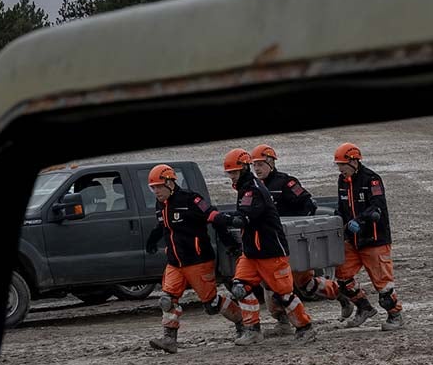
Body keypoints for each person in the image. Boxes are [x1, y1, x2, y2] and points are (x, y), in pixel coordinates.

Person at [211, 148, 317, 345]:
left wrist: (219, 218)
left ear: (243, 169)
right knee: (240, 288)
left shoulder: (254, 190)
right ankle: (252, 330)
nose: (232, 177)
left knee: (284, 295)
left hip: (271, 252)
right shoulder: (246, 189)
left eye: (234, 172)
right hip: (251, 253)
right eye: (230, 173)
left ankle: (305, 327)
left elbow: (244, 219)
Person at [143, 164, 243, 353]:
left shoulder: (191, 199)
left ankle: (242, 321)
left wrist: (230, 235)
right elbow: (162, 225)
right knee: (167, 299)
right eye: (153, 188)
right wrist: (152, 240)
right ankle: (169, 339)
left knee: (212, 304)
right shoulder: (161, 204)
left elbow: (212, 215)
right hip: (175, 262)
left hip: (198, 260)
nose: (156, 191)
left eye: (158, 186)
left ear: (170, 183)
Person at [249, 143, 342, 334]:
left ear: (271, 162)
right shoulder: (255, 187)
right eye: (254, 165)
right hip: (273, 245)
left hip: (292, 243)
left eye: (260, 164)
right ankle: (283, 323)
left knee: (306, 284)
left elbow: (308, 205)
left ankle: (343, 295)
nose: (257, 169)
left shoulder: (286, 183)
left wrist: (297, 227)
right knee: (271, 286)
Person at [333, 142, 404, 330]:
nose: (340, 169)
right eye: (338, 165)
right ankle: (364, 308)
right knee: (343, 279)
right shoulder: (342, 181)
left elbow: (377, 206)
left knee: (384, 287)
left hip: (374, 241)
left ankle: (395, 315)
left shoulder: (372, 179)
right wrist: (337, 219)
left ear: (354, 162)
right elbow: (342, 207)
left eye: (342, 165)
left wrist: (361, 221)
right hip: (353, 241)